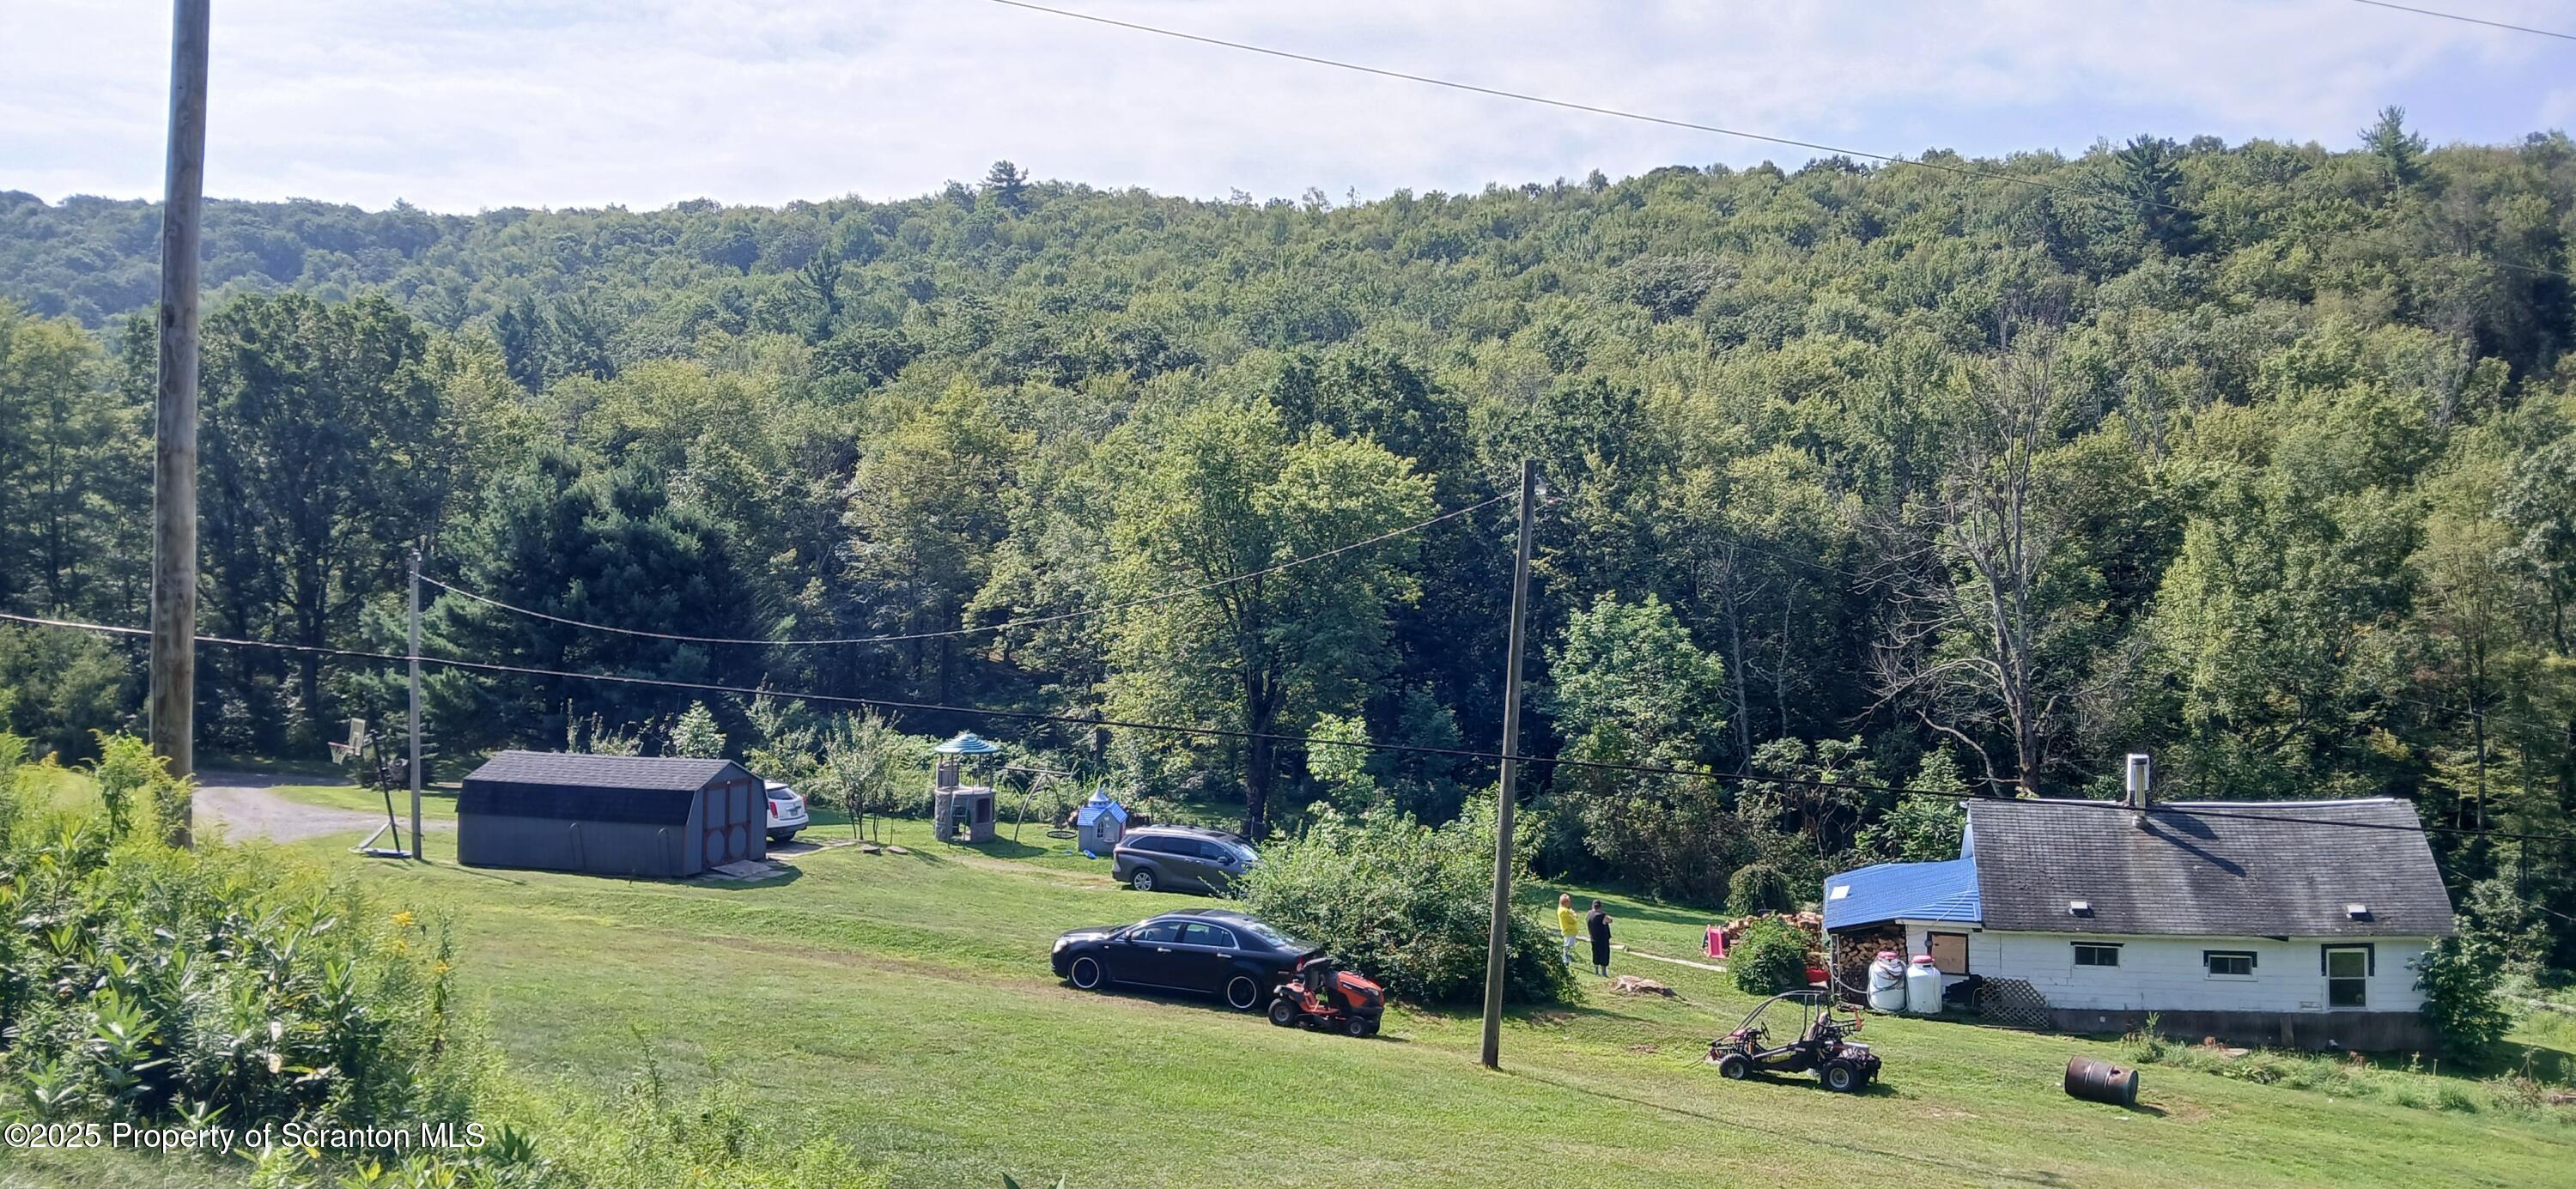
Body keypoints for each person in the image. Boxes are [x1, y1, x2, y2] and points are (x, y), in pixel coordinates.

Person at [1586, 900, 1613, 977]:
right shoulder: (1602, 916)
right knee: (1604, 955)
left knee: (1595, 954)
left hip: (1593, 938)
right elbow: (1610, 920)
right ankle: (1604, 973)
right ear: (1600, 907)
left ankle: (1596, 971)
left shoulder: (1589, 914)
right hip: (1603, 939)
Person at [1556, 893, 1580, 968]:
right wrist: (1574, 914)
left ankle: (1567, 958)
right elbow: (1573, 920)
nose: (1570, 903)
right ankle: (1566, 960)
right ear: (1565, 902)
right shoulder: (1565, 911)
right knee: (1567, 946)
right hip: (1569, 930)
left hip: (1568, 930)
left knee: (1567, 945)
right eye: (1568, 901)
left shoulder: (1561, 909)